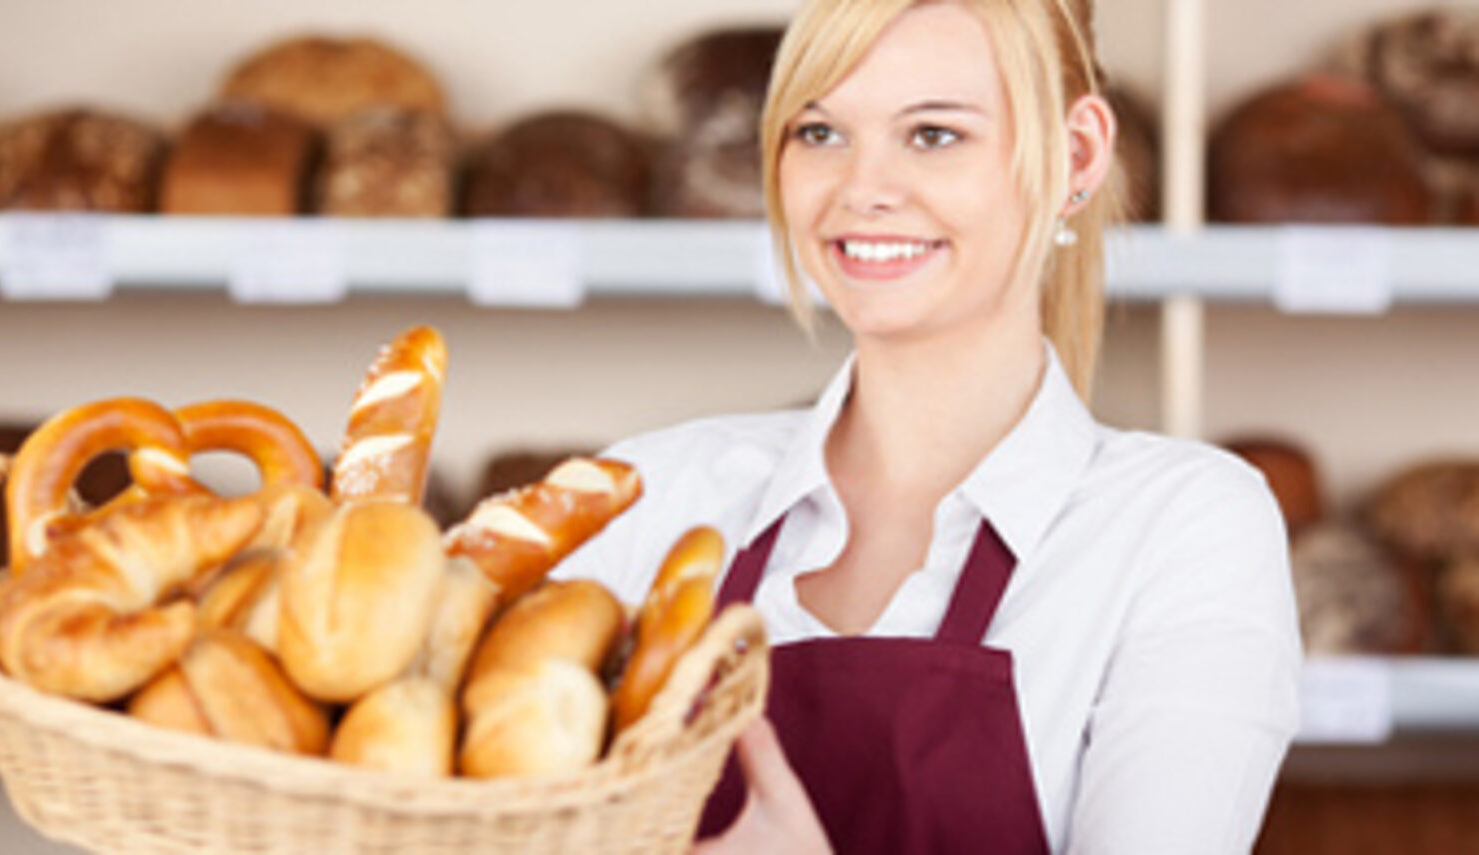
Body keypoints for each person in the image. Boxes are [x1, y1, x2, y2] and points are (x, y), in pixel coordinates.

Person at [554, 0, 1302, 852]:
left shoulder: (1179, 529)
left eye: (934, 134)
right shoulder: (648, 498)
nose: (862, 190)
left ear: (1076, 155)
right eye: (819, 133)